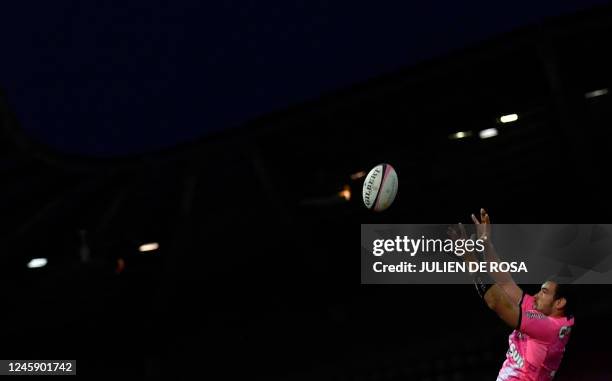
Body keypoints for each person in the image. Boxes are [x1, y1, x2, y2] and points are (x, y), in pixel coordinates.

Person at [448, 209, 575, 381]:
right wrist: (486, 244)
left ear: (560, 302)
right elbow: (505, 282)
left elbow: (497, 302)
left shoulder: (547, 327)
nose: (536, 296)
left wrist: (469, 257)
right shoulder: (545, 313)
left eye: (544, 292)